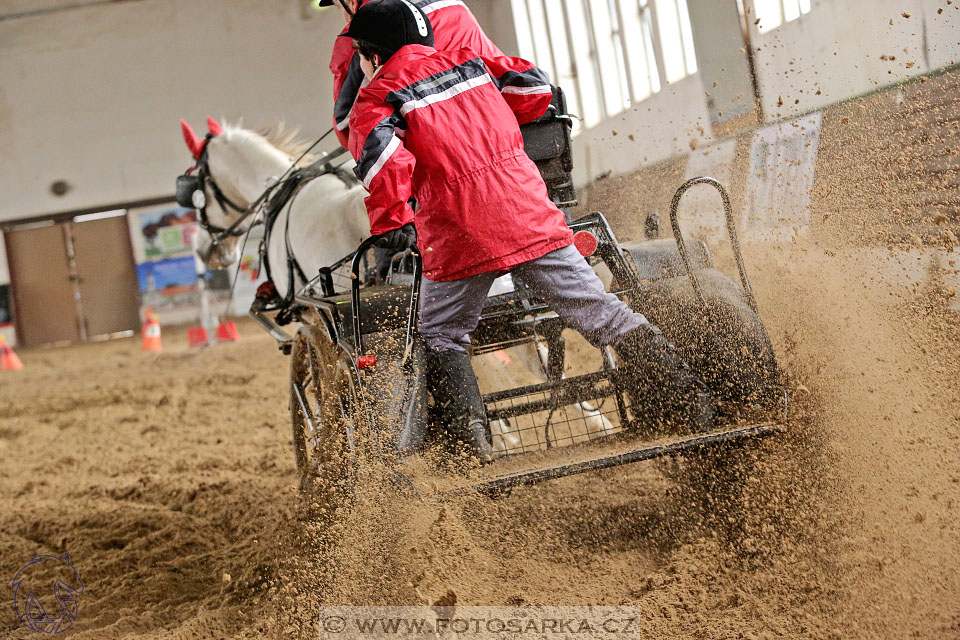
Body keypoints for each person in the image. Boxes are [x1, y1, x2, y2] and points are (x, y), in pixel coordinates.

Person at [345, 0, 714, 461]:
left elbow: (383, 165)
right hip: (528, 215)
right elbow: (535, 89)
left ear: (372, 54)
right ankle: (691, 401)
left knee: (442, 334)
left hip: (459, 234)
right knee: (604, 313)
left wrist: (392, 223)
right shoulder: (472, 61)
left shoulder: (377, 96)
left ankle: (473, 447)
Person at [323, 0, 508, 150]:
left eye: (340, 8)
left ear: (351, 2)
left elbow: (347, 127)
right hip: (506, 122)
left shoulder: (362, 30)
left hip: (449, 150)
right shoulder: (451, 3)